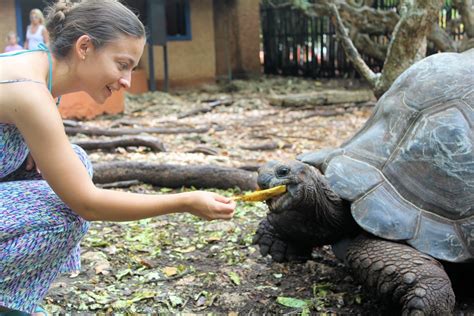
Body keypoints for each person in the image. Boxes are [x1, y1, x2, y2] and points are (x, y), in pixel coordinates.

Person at [0, 0, 236, 314]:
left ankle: (15, 298)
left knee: (76, 159)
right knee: (67, 213)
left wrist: (31, 146)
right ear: (84, 47)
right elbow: (88, 204)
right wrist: (184, 202)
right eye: (122, 64)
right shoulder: (28, 90)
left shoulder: (38, 67)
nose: (126, 79)